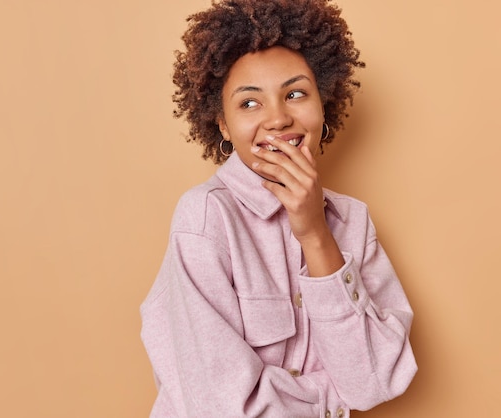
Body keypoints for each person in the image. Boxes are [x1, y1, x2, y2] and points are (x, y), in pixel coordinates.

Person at [140, 0, 417, 416]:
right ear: (223, 125)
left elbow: (373, 382)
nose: (278, 119)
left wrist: (314, 233)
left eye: (295, 94)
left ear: (322, 106)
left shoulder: (353, 222)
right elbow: (218, 402)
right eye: (250, 103)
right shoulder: (203, 218)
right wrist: (325, 398)